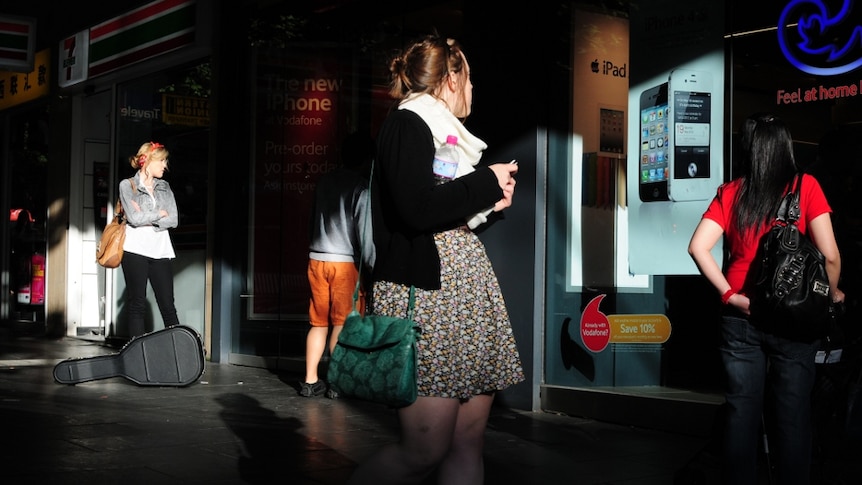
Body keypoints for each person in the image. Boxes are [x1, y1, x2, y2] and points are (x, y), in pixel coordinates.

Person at [347, 34, 524, 485]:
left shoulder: (442, 134)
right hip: (426, 298)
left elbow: (440, 214)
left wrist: (487, 208)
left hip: (463, 294)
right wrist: (485, 183)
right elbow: (415, 208)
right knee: (424, 449)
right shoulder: (408, 123)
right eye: (468, 78)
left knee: (468, 440)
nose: (472, 88)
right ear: (450, 78)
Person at [688, 113, 845, 485]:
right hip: (794, 320)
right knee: (792, 415)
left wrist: (730, 296)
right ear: (785, 147)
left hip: (742, 317)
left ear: (751, 149)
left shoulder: (732, 192)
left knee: (742, 412)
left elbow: (698, 248)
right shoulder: (806, 187)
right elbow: (832, 256)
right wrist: (824, 297)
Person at [301, 132, 376, 398]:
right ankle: (336, 382)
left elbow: (312, 219)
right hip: (344, 264)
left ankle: (310, 381)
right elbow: (364, 234)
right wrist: (371, 267)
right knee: (341, 323)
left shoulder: (324, 181)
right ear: (368, 158)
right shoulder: (361, 188)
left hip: (316, 259)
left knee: (318, 323)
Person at [119, 141, 180, 339]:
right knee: (137, 303)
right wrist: (158, 214)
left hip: (161, 250)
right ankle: (137, 352)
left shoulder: (165, 186)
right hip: (135, 250)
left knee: (167, 304)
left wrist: (147, 216)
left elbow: (173, 220)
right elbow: (133, 219)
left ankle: (178, 349)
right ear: (148, 161)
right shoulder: (127, 186)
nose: (165, 165)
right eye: (161, 161)